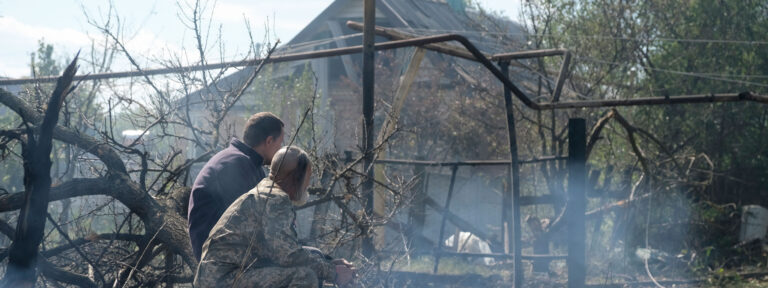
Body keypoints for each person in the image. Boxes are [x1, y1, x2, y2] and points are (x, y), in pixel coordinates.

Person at [194, 146, 356, 287]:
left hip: (222, 276)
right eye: (308, 177)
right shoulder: (275, 200)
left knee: (313, 256)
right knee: (304, 278)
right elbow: (288, 256)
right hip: (223, 280)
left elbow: (282, 250)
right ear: (296, 178)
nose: (308, 184)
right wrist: (333, 273)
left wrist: (327, 262)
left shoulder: (267, 189)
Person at [188, 112, 284, 260]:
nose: (281, 150)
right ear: (269, 141)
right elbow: (252, 221)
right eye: (281, 143)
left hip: (232, 250)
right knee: (302, 274)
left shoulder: (250, 164)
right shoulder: (235, 164)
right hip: (217, 259)